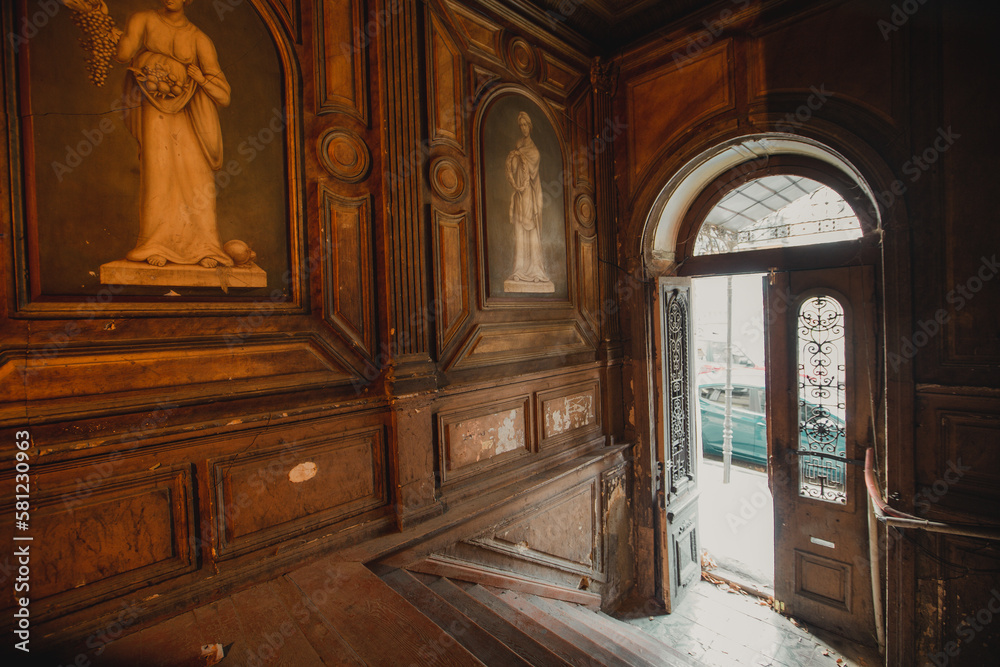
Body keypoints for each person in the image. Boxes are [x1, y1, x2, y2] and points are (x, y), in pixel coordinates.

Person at [115, 0, 232, 268]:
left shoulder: (199, 39)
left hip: (190, 114)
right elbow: (123, 55)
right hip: (154, 110)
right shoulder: (142, 19)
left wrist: (201, 79)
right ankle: (157, 244)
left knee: (195, 176)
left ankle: (204, 247)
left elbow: (223, 94)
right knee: (159, 172)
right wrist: (102, 21)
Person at [505, 111, 550, 285]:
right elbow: (514, 169)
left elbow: (531, 172)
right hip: (519, 195)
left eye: (525, 125)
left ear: (530, 126)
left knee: (530, 230)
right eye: (521, 125)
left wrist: (520, 157)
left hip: (529, 195)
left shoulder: (534, 150)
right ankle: (519, 269)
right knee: (519, 231)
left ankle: (535, 270)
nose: (523, 128)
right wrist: (514, 159)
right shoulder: (518, 145)